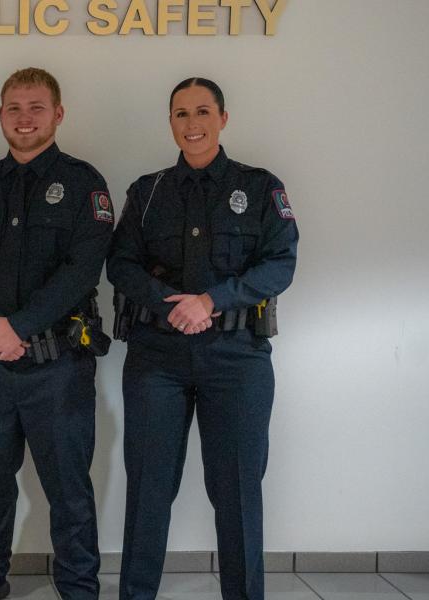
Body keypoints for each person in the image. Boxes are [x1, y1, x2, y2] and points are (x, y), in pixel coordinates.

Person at [106, 77, 299, 600]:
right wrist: (170, 303)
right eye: (181, 114)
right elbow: (120, 264)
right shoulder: (147, 193)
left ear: (223, 118)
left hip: (236, 360)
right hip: (157, 359)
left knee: (237, 492)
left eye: (202, 112)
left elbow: (280, 263)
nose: (192, 124)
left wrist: (211, 301)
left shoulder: (260, 188)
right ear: (170, 122)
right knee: (148, 489)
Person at [0, 68, 112, 600]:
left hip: (57, 367)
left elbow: (83, 270)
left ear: (58, 114)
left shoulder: (84, 184)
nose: (24, 118)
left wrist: (20, 326)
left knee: (68, 486)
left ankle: (78, 586)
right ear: (1, 115)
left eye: (36, 107)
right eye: (14, 108)